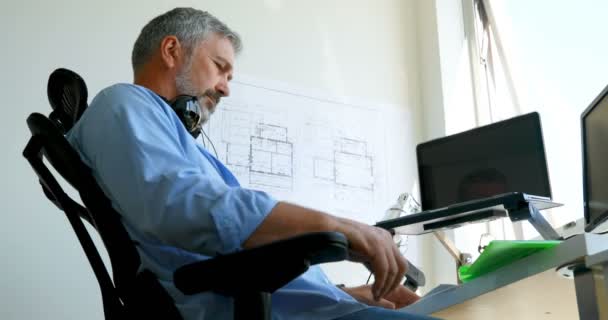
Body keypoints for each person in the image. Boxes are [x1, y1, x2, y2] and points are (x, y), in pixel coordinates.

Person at [67, 7, 438, 320]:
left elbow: (229, 247)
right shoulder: (123, 105)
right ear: (170, 50)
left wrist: (345, 292)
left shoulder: (166, 134)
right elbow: (191, 209)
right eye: (219, 67)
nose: (226, 88)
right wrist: (343, 228)